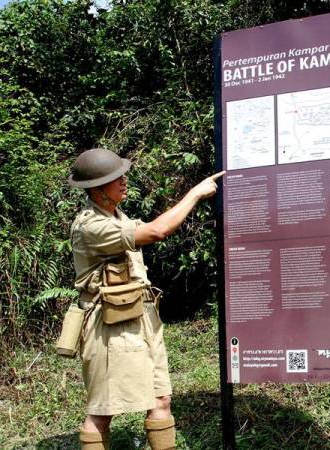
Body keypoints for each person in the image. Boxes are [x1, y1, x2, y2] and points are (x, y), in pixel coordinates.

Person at [67, 147, 225, 450]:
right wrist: (194, 193)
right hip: (108, 326)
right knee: (103, 409)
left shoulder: (116, 216)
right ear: (98, 189)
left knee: (160, 399)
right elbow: (156, 232)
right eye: (117, 178)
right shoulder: (91, 225)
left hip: (140, 318)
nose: (125, 181)